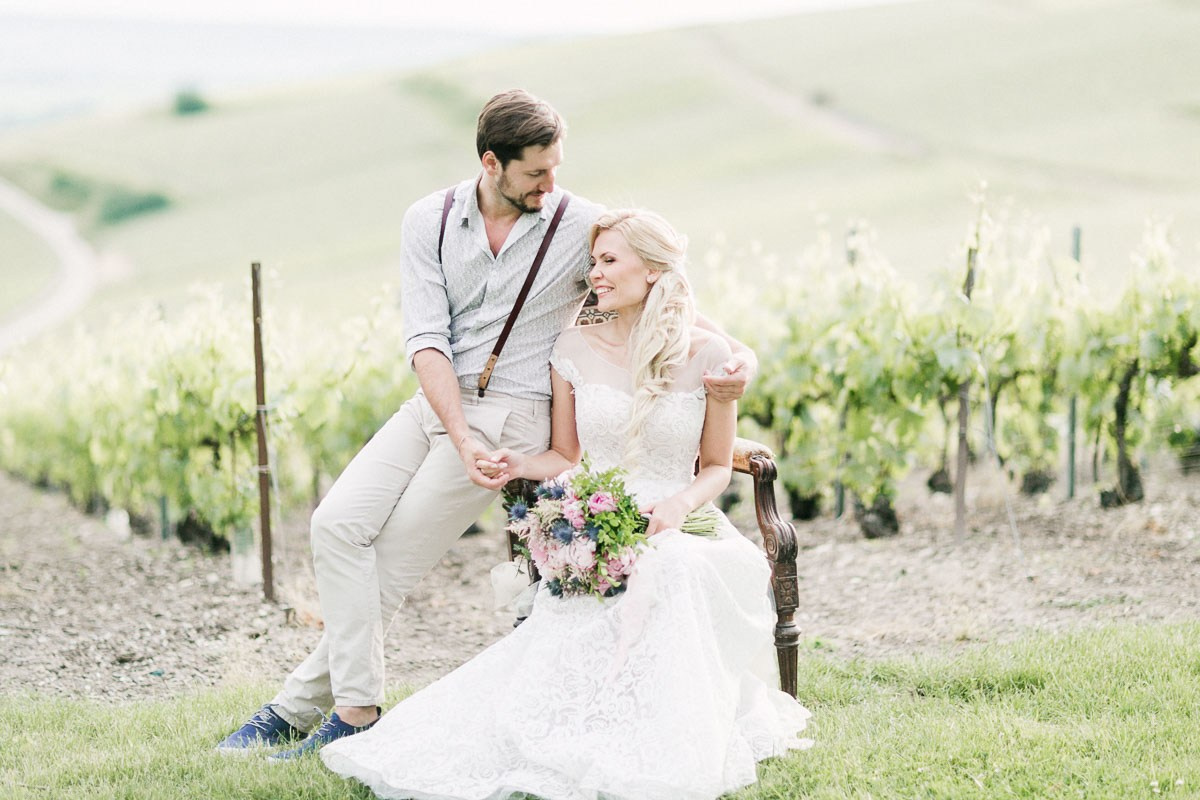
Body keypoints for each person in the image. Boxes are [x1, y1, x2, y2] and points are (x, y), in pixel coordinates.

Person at [216, 90, 758, 758]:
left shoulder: (578, 223)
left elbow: (667, 290)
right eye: (537, 172)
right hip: (438, 404)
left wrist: (743, 356)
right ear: (491, 163)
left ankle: (322, 713)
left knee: (386, 569)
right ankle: (318, 709)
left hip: (514, 415)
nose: (552, 185)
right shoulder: (430, 220)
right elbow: (426, 341)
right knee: (335, 525)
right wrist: (458, 432)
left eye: (557, 168)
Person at [319, 209, 812, 800]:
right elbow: (563, 454)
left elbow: (713, 468)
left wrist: (677, 507)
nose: (595, 275)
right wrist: (517, 465)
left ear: (654, 271)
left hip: (685, 522)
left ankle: (654, 731)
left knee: (672, 567)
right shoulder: (571, 346)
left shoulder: (711, 357)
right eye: (594, 261)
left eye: (609, 262)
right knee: (609, 582)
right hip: (596, 519)